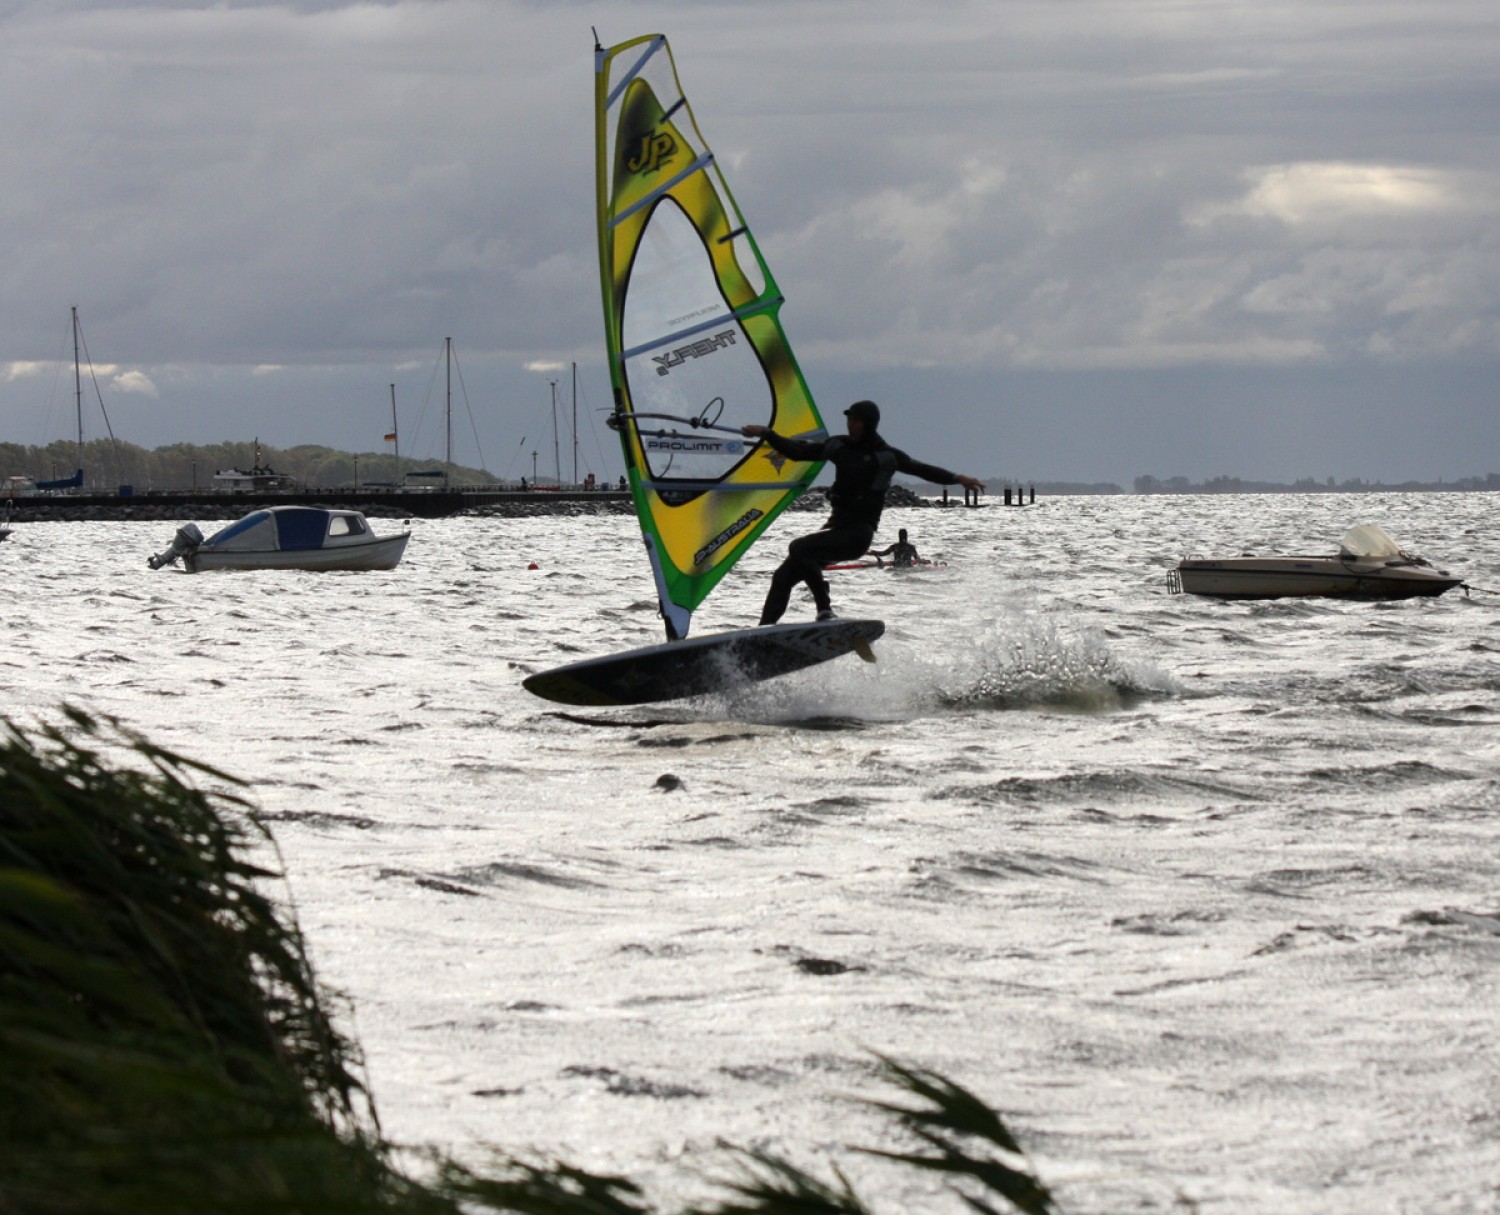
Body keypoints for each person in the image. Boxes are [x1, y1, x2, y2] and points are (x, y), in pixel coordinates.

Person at [741, 400, 984, 625]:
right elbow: (797, 452)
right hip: (836, 529)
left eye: (856, 420)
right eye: (849, 419)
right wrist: (767, 434)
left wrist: (957, 478)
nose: (850, 424)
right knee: (783, 576)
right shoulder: (838, 446)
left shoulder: (886, 456)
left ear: (869, 424)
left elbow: (921, 470)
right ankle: (762, 634)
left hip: (857, 534)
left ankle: (824, 609)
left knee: (799, 548)